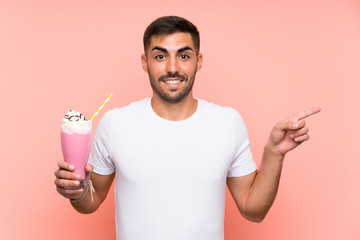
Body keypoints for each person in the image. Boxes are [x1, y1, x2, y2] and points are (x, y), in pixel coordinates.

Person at [54, 16, 320, 240]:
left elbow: (254, 210)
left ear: (198, 61)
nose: (172, 68)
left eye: (183, 55)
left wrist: (274, 153)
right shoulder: (115, 123)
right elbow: (91, 201)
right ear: (145, 62)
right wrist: (77, 192)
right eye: (160, 56)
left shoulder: (228, 122)